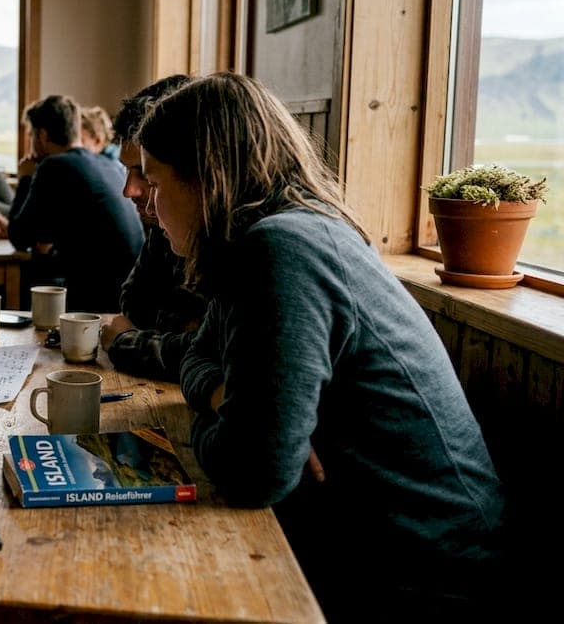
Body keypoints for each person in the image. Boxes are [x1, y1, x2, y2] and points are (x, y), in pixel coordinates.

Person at [139, 72, 505, 620]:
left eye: (154, 183)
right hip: (362, 540)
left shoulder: (281, 249)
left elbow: (252, 474)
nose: (145, 202)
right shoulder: (268, 237)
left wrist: (240, 424)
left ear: (205, 178)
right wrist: (221, 396)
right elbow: (196, 354)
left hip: (425, 573)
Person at [0, 94, 142, 312]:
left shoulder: (54, 166)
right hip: (127, 287)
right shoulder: (104, 163)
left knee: (34, 274)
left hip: (99, 296)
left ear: (42, 136)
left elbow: (20, 237)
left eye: (31, 135)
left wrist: (25, 177)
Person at [100, 75, 206, 380]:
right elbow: (133, 302)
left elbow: (209, 353)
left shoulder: (250, 239)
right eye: (128, 170)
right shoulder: (163, 222)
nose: (128, 190)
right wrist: (182, 327)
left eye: (144, 173)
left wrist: (127, 341)